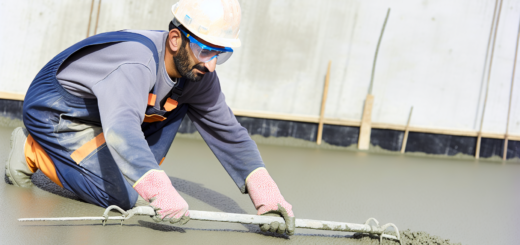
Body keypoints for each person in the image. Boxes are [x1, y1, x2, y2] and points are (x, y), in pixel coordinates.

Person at [4, 0, 295, 235]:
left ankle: (116, 166)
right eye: (206, 50)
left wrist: (267, 193)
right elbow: (122, 129)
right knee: (126, 197)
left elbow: (228, 133)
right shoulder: (137, 61)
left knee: (177, 105)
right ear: (175, 39)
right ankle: (33, 149)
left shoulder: (198, 73)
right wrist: (158, 190)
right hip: (58, 110)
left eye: (222, 54)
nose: (211, 65)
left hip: (108, 114)